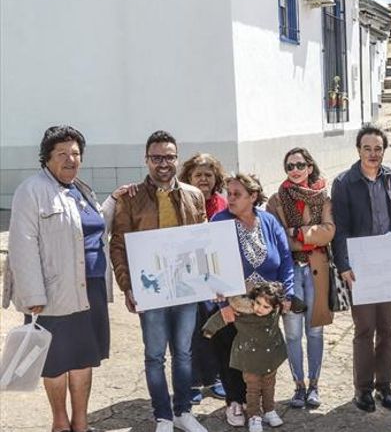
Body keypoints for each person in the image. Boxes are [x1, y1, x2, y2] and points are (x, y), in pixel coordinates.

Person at [4, 126, 130, 432]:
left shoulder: (81, 189)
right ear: (47, 158)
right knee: (56, 361)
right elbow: (22, 244)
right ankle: (60, 423)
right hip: (52, 293)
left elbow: (94, 224)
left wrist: (113, 200)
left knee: (84, 358)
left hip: (91, 289)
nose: (70, 159)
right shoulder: (31, 190)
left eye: (75, 153)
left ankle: (81, 423)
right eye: (62, 154)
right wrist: (33, 294)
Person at [109, 130, 208, 432]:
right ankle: (162, 416)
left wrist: (209, 280)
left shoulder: (194, 195)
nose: (163, 163)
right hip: (150, 289)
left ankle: (183, 412)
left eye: (168, 157)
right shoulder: (131, 198)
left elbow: (202, 240)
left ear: (177, 159)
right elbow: (118, 245)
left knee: (184, 353)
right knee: (154, 356)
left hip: (186, 288)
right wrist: (127, 285)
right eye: (156, 158)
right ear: (147, 160)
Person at [331, 125, 391, 413]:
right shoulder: (344, 182)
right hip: (361, 266)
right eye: (368, 148)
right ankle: (362, 389)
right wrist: (343, 265)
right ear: (358, 150)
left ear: (383, 151)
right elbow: (339, 229)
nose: (373, 154)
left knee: (387, 329)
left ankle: (384, 386)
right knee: (365, 329)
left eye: (378, 148)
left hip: (387, 264)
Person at [210, 173, 299, 426]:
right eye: (229, 193)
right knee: (232, 354)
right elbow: (212, 266)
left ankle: (264, 407)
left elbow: (285, 262)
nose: (231, 198)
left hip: (265, 307)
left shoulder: (269, 222)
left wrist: (287, 296)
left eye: (238, 194)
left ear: (253, 197)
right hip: (234, 305)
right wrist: (223, 305)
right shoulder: (219, 221)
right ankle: (235, 402)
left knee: (261, 356)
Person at [266, 148, 336, 409]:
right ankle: (299, 387)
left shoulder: (323, 198)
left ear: (309, 167)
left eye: (299, 165)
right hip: (289, 272)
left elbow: (328, 232)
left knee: (315, 331)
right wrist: (305, 236)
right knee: (293, 334)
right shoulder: (275, 201)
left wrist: (296, 233)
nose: (294, 170)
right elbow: (275, 238)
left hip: (317, 271)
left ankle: (315, 385)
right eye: (289, 166)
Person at [203, 282, 288, 432]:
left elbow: (292, 302)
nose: (259, 309)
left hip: (270, 358)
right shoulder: (244, 313)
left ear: (275, 308)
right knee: (253, 388)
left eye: (265, 307)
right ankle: (254, 415)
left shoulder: (275, 312)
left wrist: (295, 301)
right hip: (249, 358)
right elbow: (221, 318)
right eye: (257, 303)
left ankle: (269, 410)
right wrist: (209, 330)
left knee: (269, 385)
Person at [179, 152, 228, 403]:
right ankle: (194, 383)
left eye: (209, 175)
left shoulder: (223, 203)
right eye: (198, 175)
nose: (203, 179)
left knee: (217, 326)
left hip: (217, 274)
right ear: (188, 177)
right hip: (188, 274)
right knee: (191, 330)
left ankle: (218, 378)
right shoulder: (180, 200)